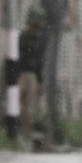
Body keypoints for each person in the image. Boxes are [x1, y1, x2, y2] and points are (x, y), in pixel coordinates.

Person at [18, 8, 46, 138]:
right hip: (30, 74)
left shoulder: (23, 36)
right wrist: (40, 81)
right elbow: (39, 61)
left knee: (23, 105)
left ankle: (23, 133)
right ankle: (26, 133)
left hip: (22, 73)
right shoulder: (36, 38)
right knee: (28, 106)